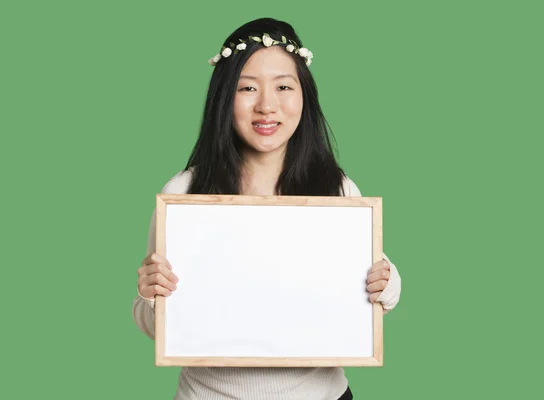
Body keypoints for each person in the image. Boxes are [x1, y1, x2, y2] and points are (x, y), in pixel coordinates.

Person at [132, 17, 402, 400]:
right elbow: (155, 322)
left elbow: (377, 284)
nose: (266, 105)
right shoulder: (184, 192)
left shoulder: (336, 188)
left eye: (283, 86)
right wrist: (149, 295)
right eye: (247, 88)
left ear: (303, 95)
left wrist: (387, 284)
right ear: (225, 99)